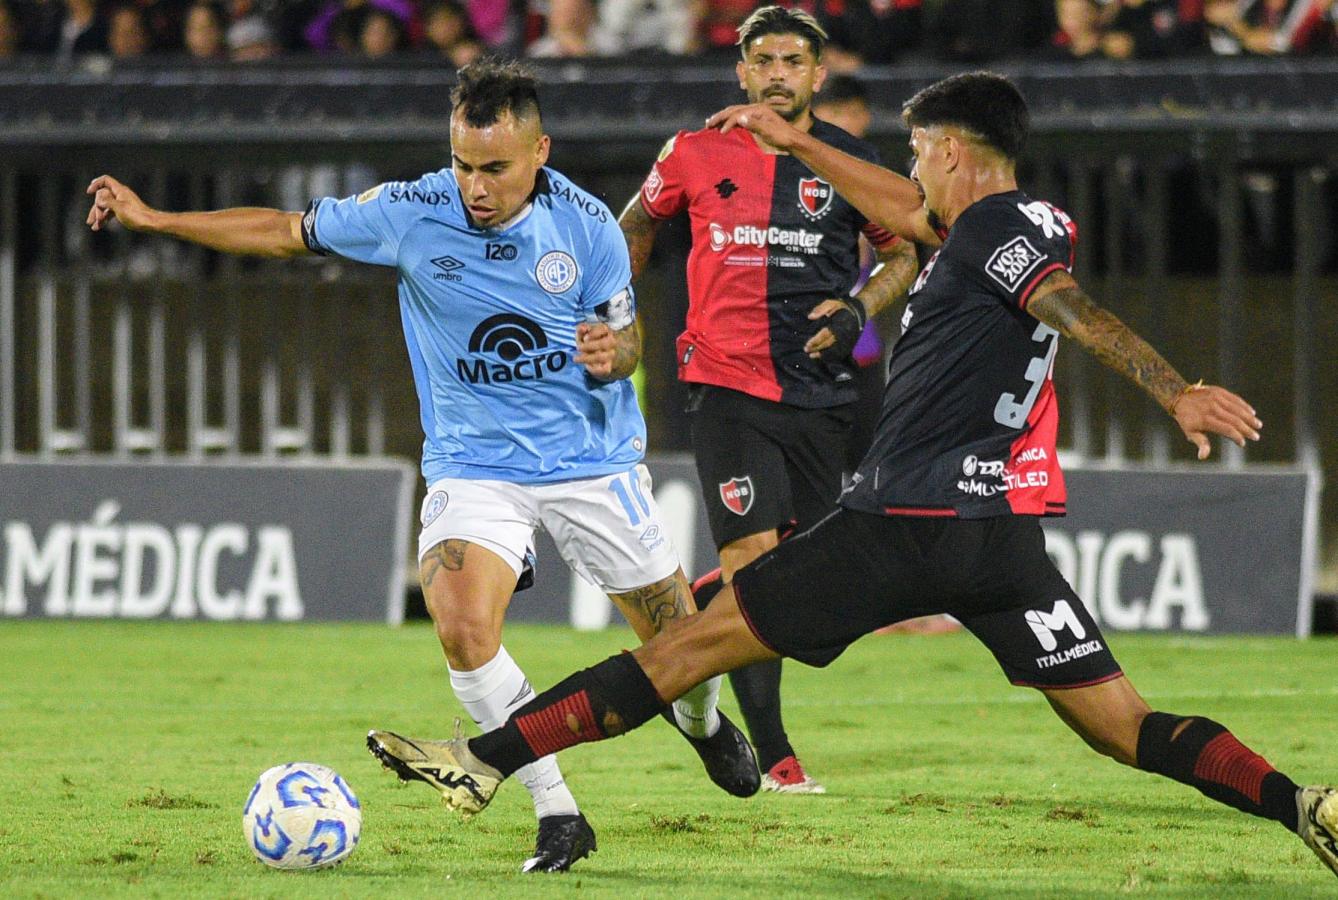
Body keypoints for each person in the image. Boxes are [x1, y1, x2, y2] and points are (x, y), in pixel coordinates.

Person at [365, 71, 1338, 882]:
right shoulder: (1016, 223)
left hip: (897, 527)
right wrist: (795, 141)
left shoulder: (994, 234)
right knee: (1126, 726)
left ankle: (483, 760)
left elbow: (1067, 305)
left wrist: (1175, 390)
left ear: (950, 151)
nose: (910, 170)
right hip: (1000, 543)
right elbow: (912, 214)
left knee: (684, 648)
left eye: (917, 152)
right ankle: (1301, 804)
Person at [85, 58, 758, 875]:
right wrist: (156, 219)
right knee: (463, 630)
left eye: (495, 168)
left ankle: (702, 726)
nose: (476, 187)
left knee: (682, 647)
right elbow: (286, 231)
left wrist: (613, 353)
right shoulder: (410, 211)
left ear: (540, 150)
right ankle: (558, 812)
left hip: (590, 461)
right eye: (463, 164)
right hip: (474, 464)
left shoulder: (588, 229)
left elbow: (628, 341)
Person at [617, 5, 920, 794]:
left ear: (818, 74)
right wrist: (609, 310)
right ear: (741, 71)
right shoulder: (693, 151)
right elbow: (634, 227)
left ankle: (694, 607)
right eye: (764, 60)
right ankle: (776, 758)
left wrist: (858, 308)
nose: (778, 74)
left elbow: (906, 254)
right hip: (725, 386)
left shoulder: (849, 161)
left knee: (813, 594)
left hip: (820, 394)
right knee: (755, 565)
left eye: (793, 61)